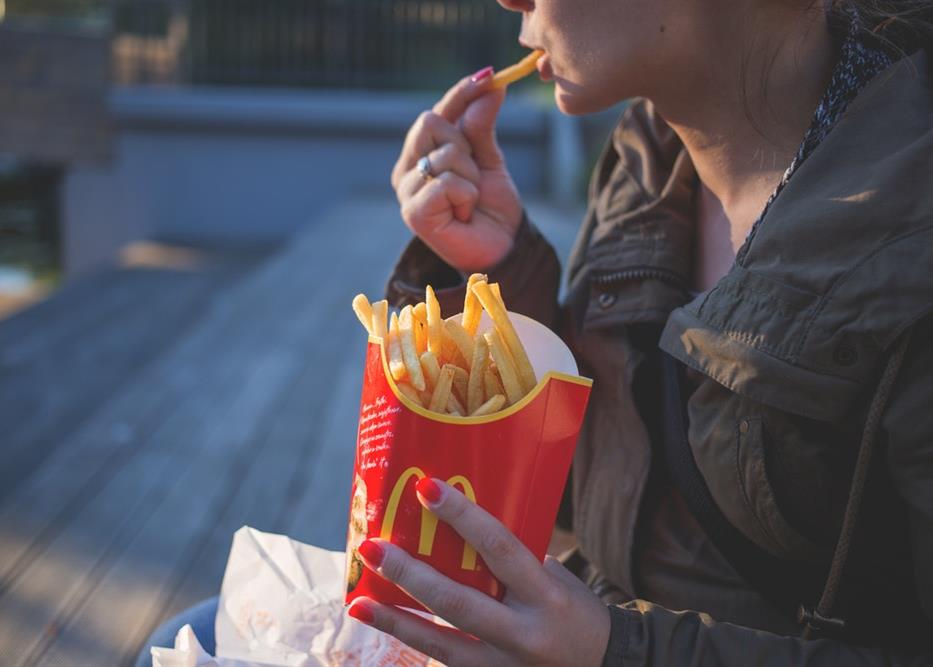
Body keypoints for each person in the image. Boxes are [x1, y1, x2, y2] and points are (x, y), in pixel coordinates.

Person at [343, 0, 933, 665]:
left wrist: (612, 649)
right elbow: (606, 505)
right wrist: (500, 267)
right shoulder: (644, 158)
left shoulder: (912, 228)